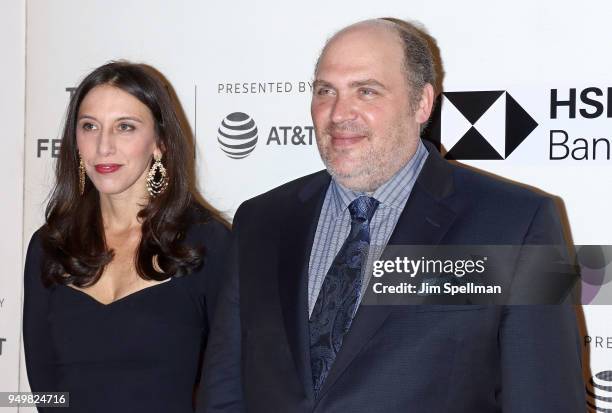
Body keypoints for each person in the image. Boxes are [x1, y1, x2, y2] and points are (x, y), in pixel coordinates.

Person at [199, 18, 585, 412]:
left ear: (422, 103)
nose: (338, 113)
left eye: (366, 91)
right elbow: (225, 392)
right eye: (325, 91)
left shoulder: (515, 224)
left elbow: (545, 398)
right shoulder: (262, 221)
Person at [23, 61, 230, 412]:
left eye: (125, 127)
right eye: (90, 126)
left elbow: (229, 383)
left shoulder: (207, 244)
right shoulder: (50, 246)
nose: (104, 146)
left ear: (159, 143)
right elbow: (45, 390)